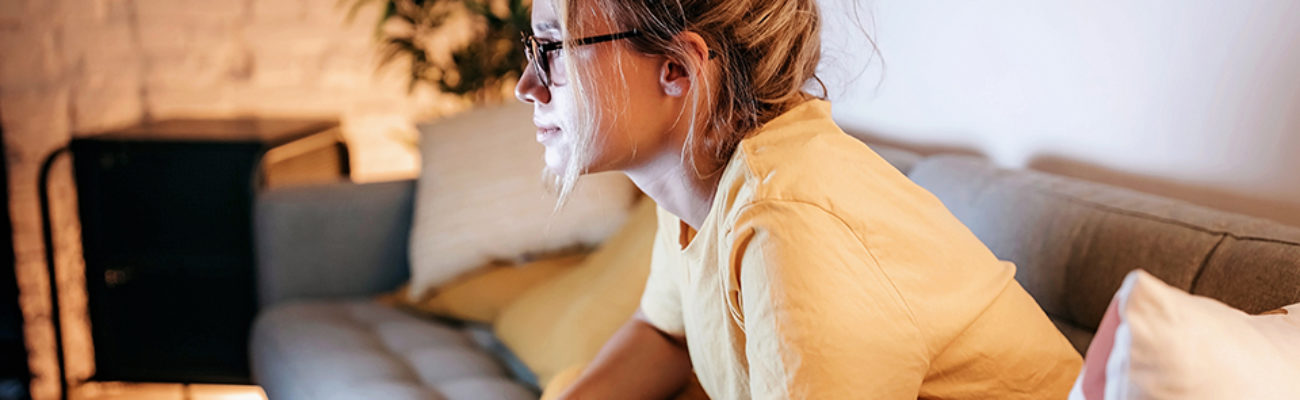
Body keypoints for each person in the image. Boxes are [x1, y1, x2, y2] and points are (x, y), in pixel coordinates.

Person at [514, 0, 1083, 398]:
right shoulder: (696, 177)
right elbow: (664, 335)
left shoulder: (789, 221)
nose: (527, 84)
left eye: (553, 47)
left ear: (677, 68)